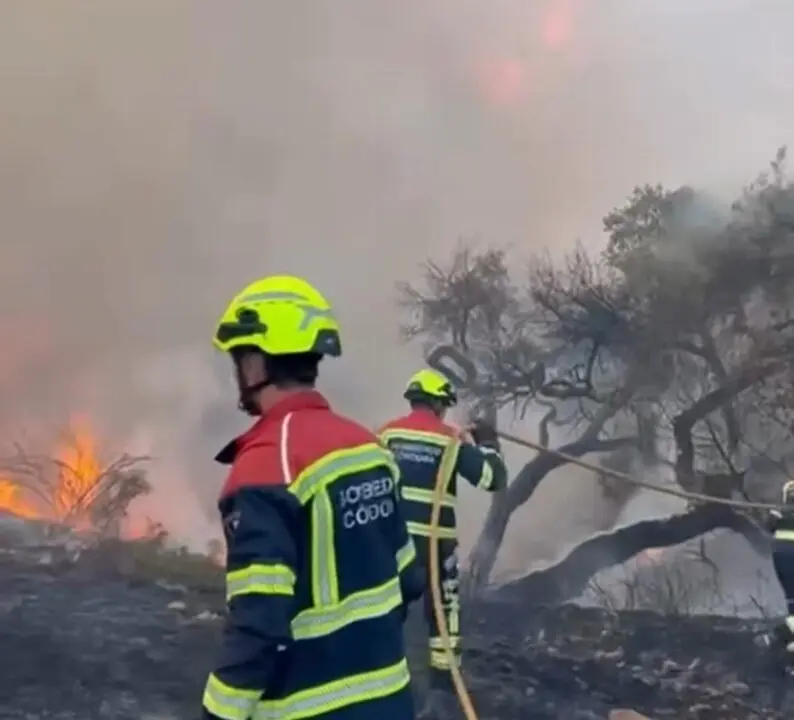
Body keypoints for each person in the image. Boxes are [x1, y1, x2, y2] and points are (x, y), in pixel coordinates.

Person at [202, 275, 423, 720]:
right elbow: (409, 579)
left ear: (254, 364)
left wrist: (218, 714)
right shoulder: (368, 447)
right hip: (392, 701)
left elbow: (258, 627)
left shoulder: (266, 466)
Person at [378, 368, 507, 719]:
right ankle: (441, 696)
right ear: (439, 404)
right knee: (444, 620)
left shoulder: (387, 434)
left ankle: (380, 688)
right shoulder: (449, 438)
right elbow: (492, 478)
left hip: (392, 546)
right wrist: (489, 444)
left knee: (385, 613)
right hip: (436, 548)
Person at [769, 480, 794, 660]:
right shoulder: (778, 512)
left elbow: (770, 526)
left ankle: (785, 636)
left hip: (780, 555)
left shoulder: (777, 512)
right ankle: (783, 636)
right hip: (787, 554)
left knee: (791, 597)